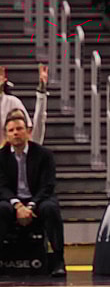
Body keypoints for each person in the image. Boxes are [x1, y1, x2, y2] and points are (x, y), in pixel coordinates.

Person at [0, 116, 65, 276]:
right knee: (1, 209)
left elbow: (47, 185)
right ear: (6, 135)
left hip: (38, 199)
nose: (15, 133)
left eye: (19, 129)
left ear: (28, 132)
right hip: (12, 200)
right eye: (11, 130)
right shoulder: (1, 156)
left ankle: (58, 260)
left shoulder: (44, 154)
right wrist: (18, 205)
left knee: (50, 208)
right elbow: (2, 186)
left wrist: (30, 206)